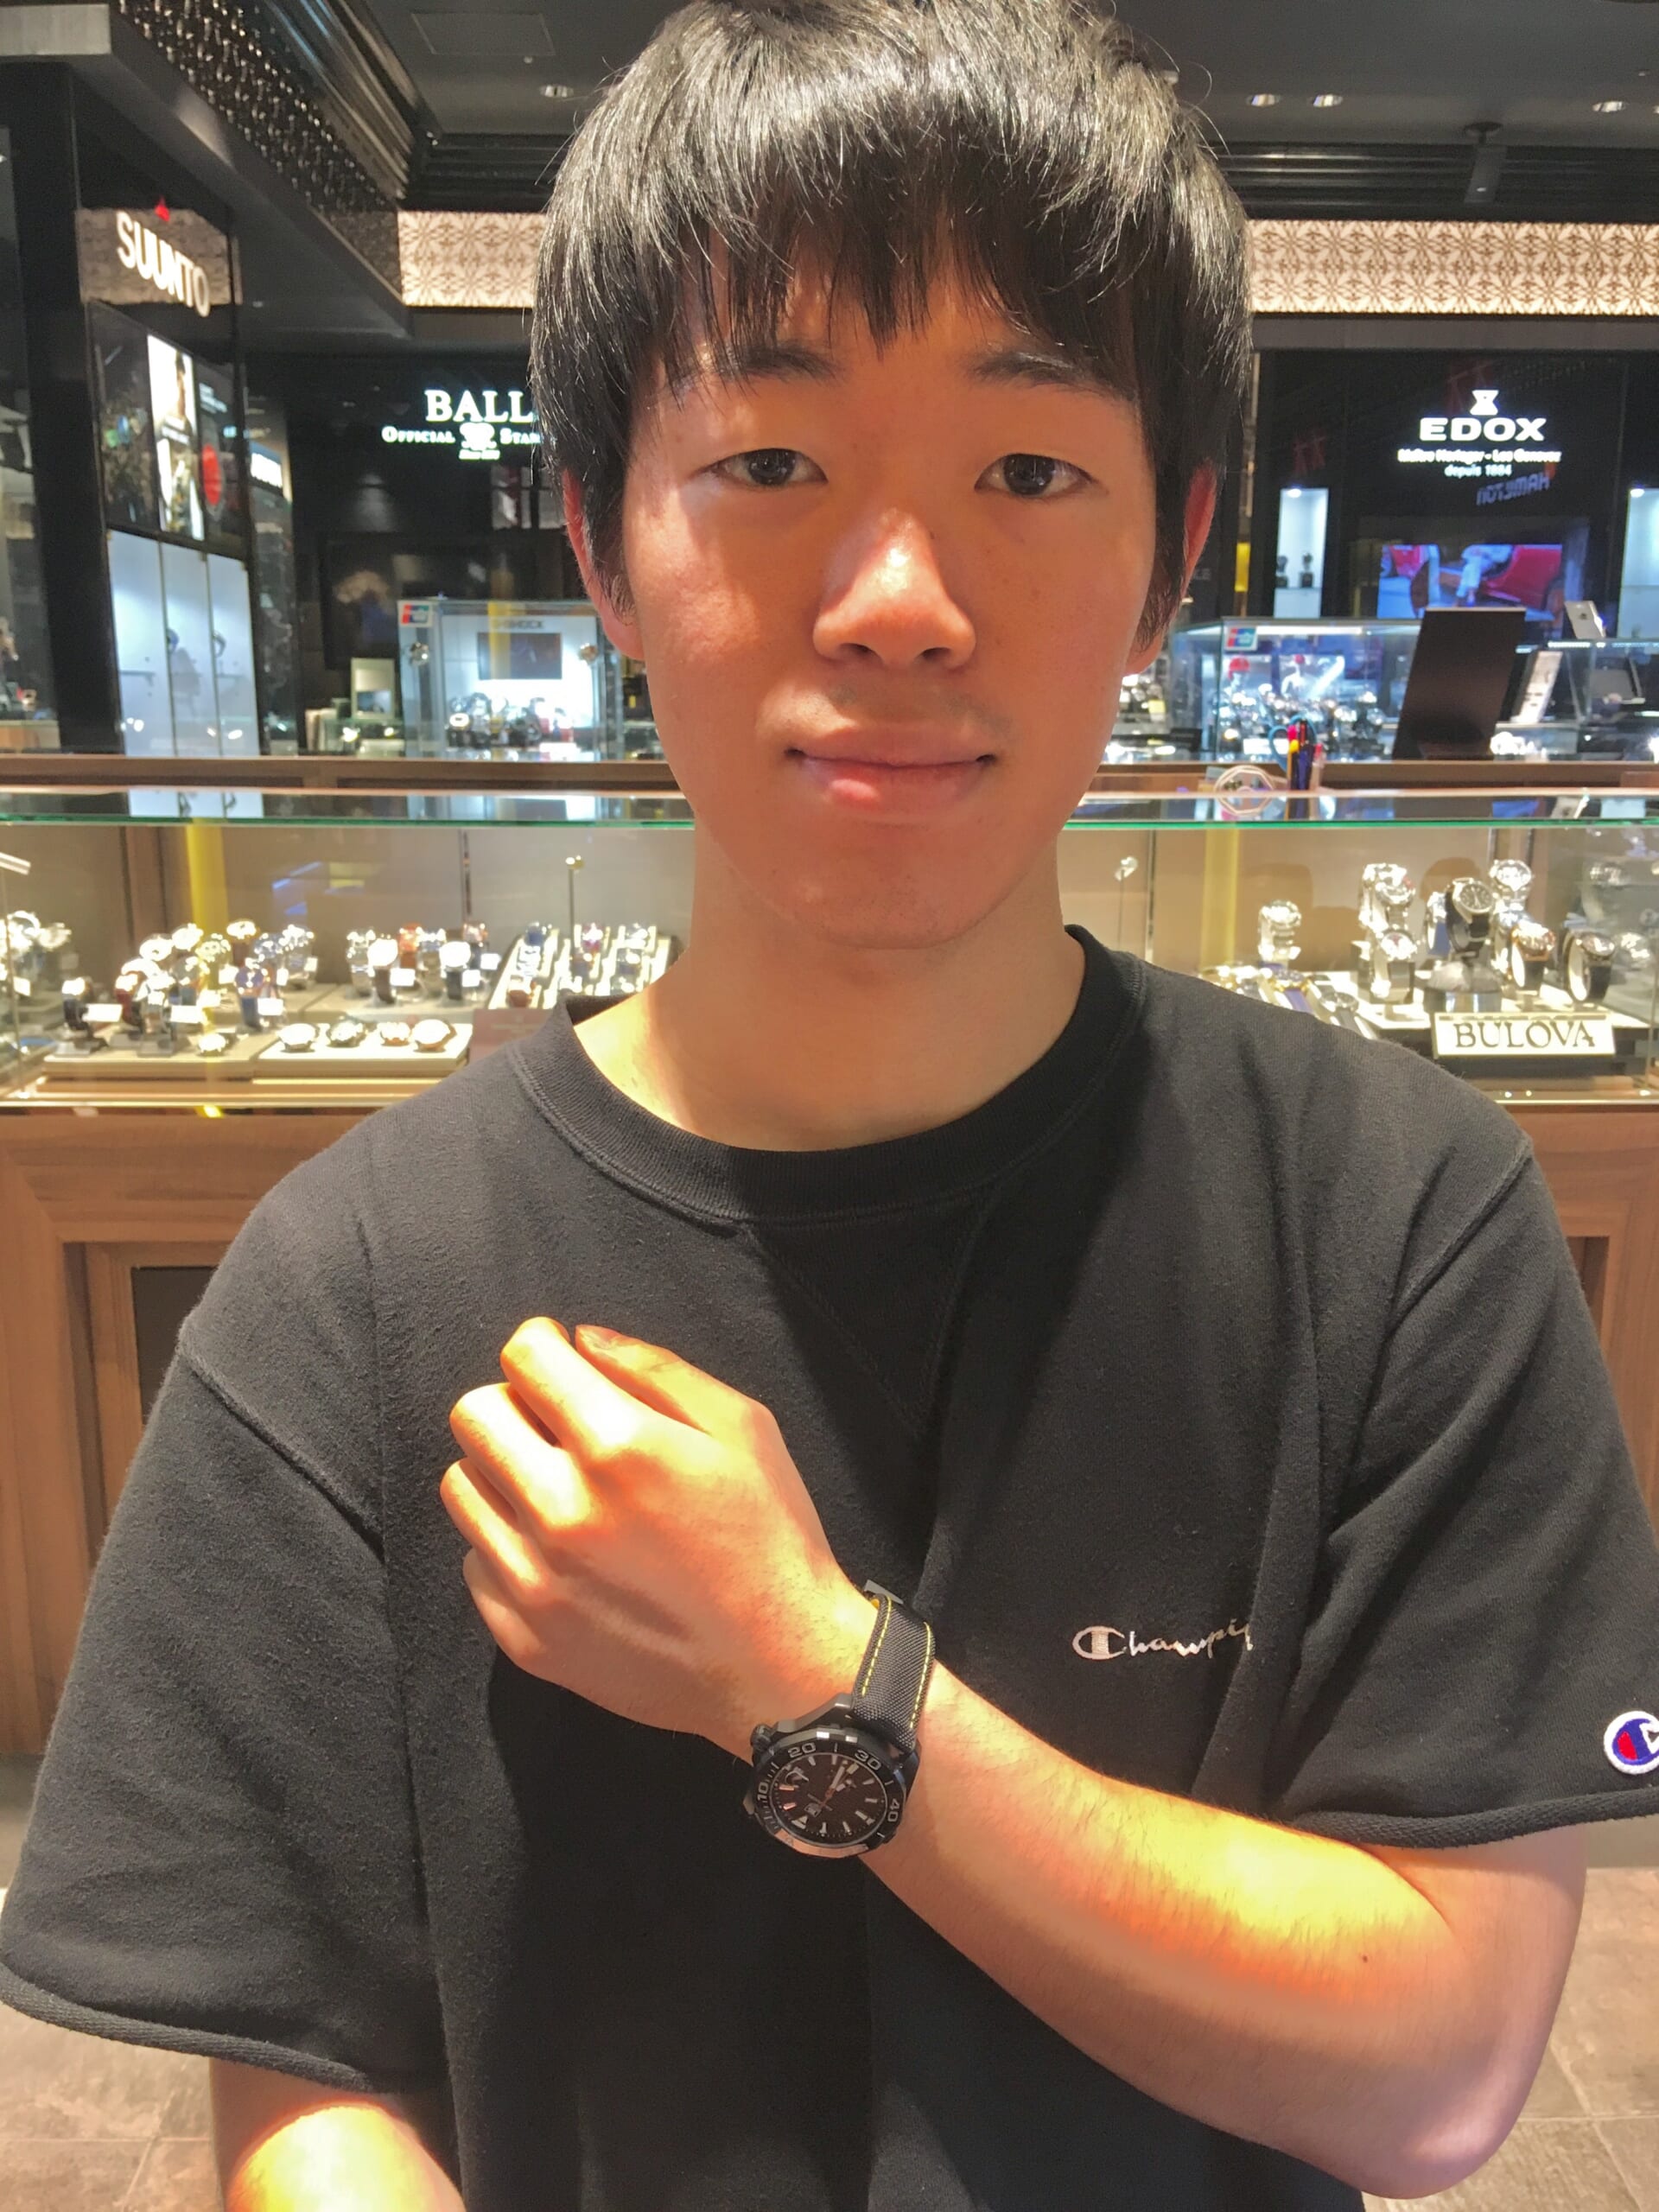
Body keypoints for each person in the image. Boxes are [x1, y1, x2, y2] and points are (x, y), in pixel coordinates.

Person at [4, 5, 1659, 2208]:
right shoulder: (352, 1291)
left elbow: (1436, 2067)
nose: (898, 603)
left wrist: (819, 1677)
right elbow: (309, 2097)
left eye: (1028, 472)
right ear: (602, 543)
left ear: (1174, 553)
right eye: (772, 463)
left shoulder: (1402, 1218)